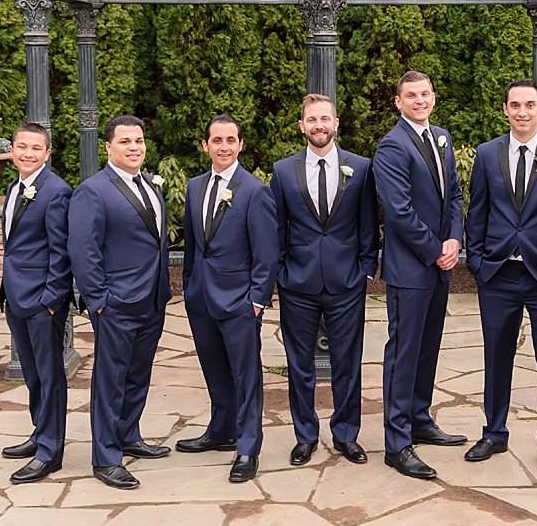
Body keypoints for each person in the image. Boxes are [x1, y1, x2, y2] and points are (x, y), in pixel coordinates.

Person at [463, 80, 537, 475]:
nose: (522, 112)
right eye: (515, 105)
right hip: (497, 274)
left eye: (529, 105)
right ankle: (494, 433)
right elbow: (476, 213)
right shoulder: (486, 154)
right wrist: (478, 264)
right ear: (505, 109)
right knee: (496, 356)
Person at [270, 93, 379, 466]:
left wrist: (366, 266)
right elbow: (277, 227)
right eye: (311, 120)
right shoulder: (283, 171)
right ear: (302, 126)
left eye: (325, 119)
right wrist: (281, 272)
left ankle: (346, 434)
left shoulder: (361, 168)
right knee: (299, 364)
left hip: (347, 281)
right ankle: (305, 435)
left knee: (348, 362)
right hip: (297, 282)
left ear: (336, 123)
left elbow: (368, 222)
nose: (319, 125)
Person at [69, 115, 172, 490]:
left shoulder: (151, 186)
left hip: (152, 299)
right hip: (115, 303)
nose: (134, 147)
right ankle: (106, 457)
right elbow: (83, 250)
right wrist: (99, 300)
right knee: (110, 380)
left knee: (138, 374)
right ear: (108, 147)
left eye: (139, 140)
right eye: (126, 141)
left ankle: (129, 435)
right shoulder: (93, 191)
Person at [373, 70, 467, 479]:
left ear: (433, 97)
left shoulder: (441, 138)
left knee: (428, 347)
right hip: (411, 268)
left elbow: (456, 196)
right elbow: (399, 212)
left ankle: (420, 418)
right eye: (411, 95)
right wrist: (434, 251)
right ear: (398, 102)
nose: (419, 100)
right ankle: (397, 442)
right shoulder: (392, 147)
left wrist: (454, 240)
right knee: (404, 352)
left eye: (425, 93)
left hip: (439, 263)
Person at [177, 115, 278, 483]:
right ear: (205, 145)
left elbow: (267, 253)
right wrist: (189, 287)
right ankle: (221, 430)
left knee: (245, 376)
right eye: (217, 140)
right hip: (201, 298)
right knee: (214, 371)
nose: (224, 146)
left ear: (240, 145)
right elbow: (193, 246)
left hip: (239, 301)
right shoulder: (194, 187)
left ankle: (248, 446)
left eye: (230, 140)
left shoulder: (254, 191)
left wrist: (256, 300)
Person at [0, 122, 72, 484]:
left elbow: (61, 251)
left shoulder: (56, 192)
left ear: (47, 153)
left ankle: (49, 452)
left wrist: (52, 300)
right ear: (12, 150)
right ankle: (39, 432)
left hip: (42, 301)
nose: (28, 154)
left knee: (50, 375)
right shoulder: (16, 187)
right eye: (22, 147)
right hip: (15, 296)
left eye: (36, 148)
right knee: (32, 374)